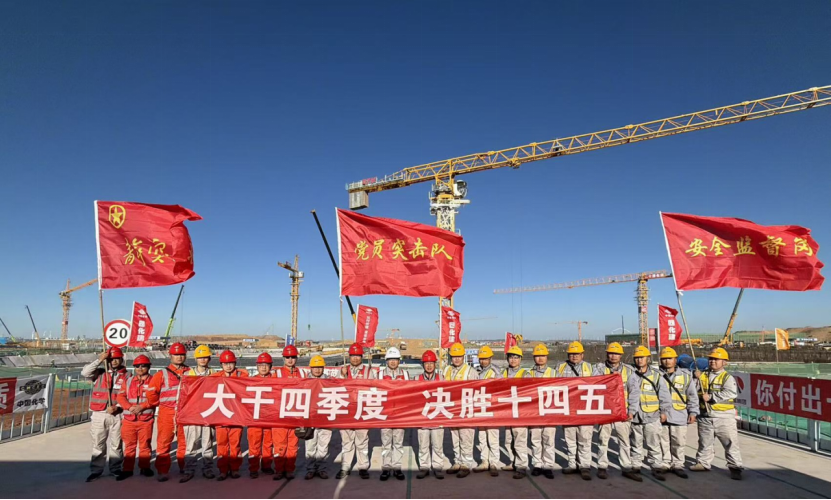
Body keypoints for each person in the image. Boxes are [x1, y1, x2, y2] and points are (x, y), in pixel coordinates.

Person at [690, 348, 744, 480]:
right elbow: (694, 390)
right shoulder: (702, 375)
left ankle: (735, 467)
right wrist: (695, 378)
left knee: (730, 443)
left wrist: (711, 397)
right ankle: (703, 463)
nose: (712, 361)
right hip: (705, 416)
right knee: (704, 442)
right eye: (711, 359)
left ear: (724, 362)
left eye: (716, 359)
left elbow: (731, 393)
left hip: (723, 416)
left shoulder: (727, 378)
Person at [593, 342, 641, 481]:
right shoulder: (599, 369)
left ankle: (626, 467)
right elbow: (594, 386)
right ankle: (602, 467)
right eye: (611, 353)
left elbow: (634, 392)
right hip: (605, 411)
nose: (613, 356)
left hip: (622, 412)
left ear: (621, 355)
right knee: (603, 440)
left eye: (616, 354)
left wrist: (631, 411)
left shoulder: (629, 371)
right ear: (607, 354)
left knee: (624, 441)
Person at [81, 347, 128, 482]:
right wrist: (99, 360)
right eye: (111, 359)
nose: (114, 361)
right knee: (98, 444)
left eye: (117, 358)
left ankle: (115, 468)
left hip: (117, 415)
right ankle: (96, 470)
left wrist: (117, 407)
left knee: (116, 444)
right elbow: (85, 372)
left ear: (121, 359)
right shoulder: (99, 373)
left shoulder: (127, 376)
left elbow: (128, 395)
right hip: (99, 414)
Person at [146, 342, 189, 482]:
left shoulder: (191, 372)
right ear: (170, 356)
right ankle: (163, 470)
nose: (179, 357)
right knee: (164, 443)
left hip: (184, 412)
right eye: (176, 354)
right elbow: (151, 393)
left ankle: (184, 467)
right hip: (167, 412)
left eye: (181, 354)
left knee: (184, 443)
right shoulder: (161, 374)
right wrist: (160, 405)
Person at [630, 346, 672, 482]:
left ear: (648, 359)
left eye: (642, 357)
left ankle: (656, 467)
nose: (639, 360)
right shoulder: (631, 375)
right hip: (635, 417)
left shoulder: (656, 375)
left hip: (652, 417)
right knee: (635, 444)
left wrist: (664, 411)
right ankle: (635, 466)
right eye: (637, 357)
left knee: (654, 444)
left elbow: (664, 395)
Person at [555, 341, 594, 480]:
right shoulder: (560, 367)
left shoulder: (590, 367)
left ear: (582, 354)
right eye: (572, 354)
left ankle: (585, 466)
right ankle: (572, 464)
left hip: (585, 409)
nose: (574, 356)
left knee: (585, 440)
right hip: (568, 409)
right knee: (570, 439)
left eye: (577, 354)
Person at [658, 347, 699, 479]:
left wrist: (693, 412)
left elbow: (692, 395)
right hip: (661, 415)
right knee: (663, 441)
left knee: (679, 442)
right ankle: (665, 463)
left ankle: (678, 464)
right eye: (664, 358)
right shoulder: (656, 375)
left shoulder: (685, 376)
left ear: (675, 360)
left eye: (670, 358)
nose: (667, 361)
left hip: (679, 414)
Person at [337, 343, 376, 480]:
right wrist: (342, 376)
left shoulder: (368, 371)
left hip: (362, 411)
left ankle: (363, 467)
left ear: (361, 356)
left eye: (357, 356)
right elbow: (336, 389)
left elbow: (374, 388)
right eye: (352, 356)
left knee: (362, 441)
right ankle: (345, 467)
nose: (355, 358)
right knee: (346, 441)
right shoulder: (343, 370)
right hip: (346, 411)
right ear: (349, 356)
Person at [116, 355, 155, 481]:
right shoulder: (128, 381)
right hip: (129, 420)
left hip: (146, 420)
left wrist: (143, 406)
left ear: (148, 367)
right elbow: (120, 396)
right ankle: (127, 469)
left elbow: (156, 398)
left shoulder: (154, 381)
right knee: (129, 446)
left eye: (143, 366)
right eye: (137, 366)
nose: (140, 368)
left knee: (145, 445)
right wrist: (129, 407)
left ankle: (145, 467)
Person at [181, 345, 216, 483]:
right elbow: (181, 396)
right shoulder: (188, 375)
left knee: (207, 445)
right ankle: (189, 471)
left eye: (205, 357)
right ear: (196, 359)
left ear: (209, 359)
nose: (203, 360)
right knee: (191, 446)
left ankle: (208, 469)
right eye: (200, 357)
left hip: (208, 414)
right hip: (192, 415)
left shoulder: (215, 375)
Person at [211, 350, 248, 481]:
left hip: (236, 416)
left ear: (235, 363)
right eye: (225, 363)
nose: (228, 366)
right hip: (220, 416)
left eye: (231, 363)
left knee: (235, 443)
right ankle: (223, 470)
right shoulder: (214, 377)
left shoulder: (242, 376)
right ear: (221, 364)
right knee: (221, 444)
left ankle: (235, 468)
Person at [444, 342, 479, 479]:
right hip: (452, 410)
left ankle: (466, 464)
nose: (456, 359)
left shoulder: (471, 372)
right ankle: (457, 461)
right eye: (454, 356)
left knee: (466, 438)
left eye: (459, 356)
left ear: (463, 356)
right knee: (455, 437)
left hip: (466, 410)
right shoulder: (447, 370)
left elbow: (476, 392)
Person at [273, 345, 304, 480]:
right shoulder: (277, 374)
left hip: (295, 416)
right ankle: (279, 470)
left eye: (293, 357)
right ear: (283, 358)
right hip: (280, 416)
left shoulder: (302, 374)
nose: (290, 360)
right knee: (280, 445)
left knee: (292, 445)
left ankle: (290, 469)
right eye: (287, 357)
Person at [378, 347, 409, 481]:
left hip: (400, 415)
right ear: (386, 361)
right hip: (385, 415)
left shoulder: (405, 374)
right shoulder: (379, 375)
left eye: (395, 359)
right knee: (386, 443)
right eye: (390, 359)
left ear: (399, 360)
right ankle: (386, 468)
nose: (393, 362)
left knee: (398, 443)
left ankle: (397, 467)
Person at [415, 350, 446, 480]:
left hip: (437, 416)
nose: (429, 366)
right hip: (422, 417)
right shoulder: (417, 379)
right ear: (423, 364)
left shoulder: (441, 378)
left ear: (435, 364)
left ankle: (437, 467)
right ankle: (424, 467)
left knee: (437, 445)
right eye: (426, 363)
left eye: (431, 363)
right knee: (423, 445)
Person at [501, 345, 530, 480]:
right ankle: (513, 462)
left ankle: (521, 466)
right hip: (507, 412)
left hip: (520, 413)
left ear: (520, 359)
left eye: (516, 357)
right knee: (508, 440)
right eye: (511, 357)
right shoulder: (503, 373)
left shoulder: (525, 374)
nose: (513, 360)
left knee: (519, 440)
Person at [528, 344, 556, 480]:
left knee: (549, 440)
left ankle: (548, 466)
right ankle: (537, 465)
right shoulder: (528, 373)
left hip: (550, 411)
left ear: (547, 357)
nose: (540, 358)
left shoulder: (554, 373)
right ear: (534, 357)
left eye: (543, 356)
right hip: (534, 412)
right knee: (535, 440)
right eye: (537, 356)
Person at [473, 345, 501, 477]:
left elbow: (501, 388)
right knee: (482, 436)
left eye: (485, 358)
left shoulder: (496, 371)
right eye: (481, 359)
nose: (483, 361)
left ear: (490, 358)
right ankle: (484, 461)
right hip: (480, 407)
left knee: (493, 437)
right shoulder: (477, 371)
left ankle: (494, 462)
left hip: (492, 408)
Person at [248, 352, 276, 479]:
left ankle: (266, 466)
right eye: (261, 365)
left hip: (270, 418)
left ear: (270, 366)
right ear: (257, 366)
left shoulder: (277, 381)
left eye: (266, 365)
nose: (263, 367)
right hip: (254, 418)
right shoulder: (250, 381)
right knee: (254, 444)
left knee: (268, 444)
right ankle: (253, 468)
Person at [304, 356, 332, 480]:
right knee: (310, 446)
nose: (317, 370)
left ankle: (322, 469)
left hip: (325, 418)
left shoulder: (330, 381)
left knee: (323, 446)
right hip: (310, 419)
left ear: (323, 368)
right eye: (315, 367)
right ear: (310, 368)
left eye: (320, 367)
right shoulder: (304, 381)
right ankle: (310, 469)